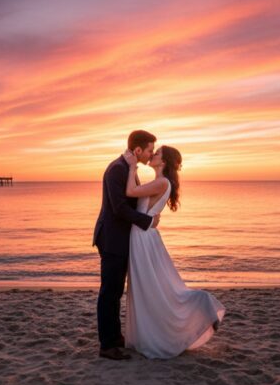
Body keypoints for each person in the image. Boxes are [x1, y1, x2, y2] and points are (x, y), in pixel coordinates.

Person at [123, 145, 225, 359]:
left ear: (164, 162)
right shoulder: (160, 182)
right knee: (151, 287)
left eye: (157, 153)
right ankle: (150, 333)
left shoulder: (162, 182)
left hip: (143, 238)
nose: (152, 155)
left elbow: (130, 192)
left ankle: (203, 306)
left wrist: (132, 167)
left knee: (152, 288)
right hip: (144, 235)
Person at [92, 130, 160, 360]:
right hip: (112, 239)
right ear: (138, 150)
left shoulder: (127, 168)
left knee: (116, 290)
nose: (151, 154)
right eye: (149, 150)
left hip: (120, 238)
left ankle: (115, 336)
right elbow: (119, 208)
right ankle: (107, 345)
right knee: (109, 292)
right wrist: (148, 221)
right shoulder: (117, 170)